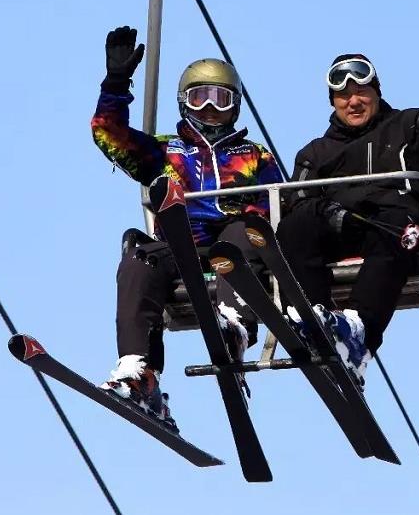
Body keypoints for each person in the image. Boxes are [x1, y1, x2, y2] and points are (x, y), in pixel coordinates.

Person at [277, 22, 419, 385]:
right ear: (333, 102)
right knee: (294, 225)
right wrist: (330, 214)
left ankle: (357, 332)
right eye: (343, 96)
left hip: (392, 229)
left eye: (361, 91)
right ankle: (315, 318)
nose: (353, 101)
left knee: (400, 223)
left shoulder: (407, 128)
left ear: (376, 92)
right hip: (339, 230)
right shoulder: (315, 154)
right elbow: (297, 201)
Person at [91, 25, 283, 430]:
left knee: (236, 236)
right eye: (200, 97)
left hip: (236, 248)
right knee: (139, 257)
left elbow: (281, 206)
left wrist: (249, 215)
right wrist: (116, 82)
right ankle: (139, 370)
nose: (210, 107)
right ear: (185, 104)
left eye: (221, 98)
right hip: (182, 249)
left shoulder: (254, 156)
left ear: (235, 106)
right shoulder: (163, 151)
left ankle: (233, 326)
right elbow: (109, 135)